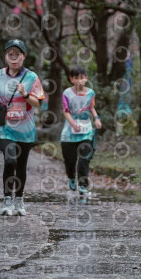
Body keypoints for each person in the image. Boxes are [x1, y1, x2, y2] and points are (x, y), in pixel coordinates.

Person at [0, 39, 45, 216]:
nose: (14, 58)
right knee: (10, 160)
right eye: (10, 54)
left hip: (25, 130)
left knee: (21, 165)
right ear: (5, 56)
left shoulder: (31, 77)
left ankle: (19, 200)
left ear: (23, 56)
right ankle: (7, 200)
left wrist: (25, 94)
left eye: (17, 54)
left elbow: (37, 103)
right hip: (4, 128)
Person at [60, 65, 102, 195]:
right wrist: (73, 124)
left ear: (86, 78)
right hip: (69, 133)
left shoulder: (91, 93)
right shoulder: (67, 93)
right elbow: (66, 111)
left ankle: (83, 185)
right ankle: (71, 177)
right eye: (76, 78)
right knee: (70, 160)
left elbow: (91, 107)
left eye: (82, 78)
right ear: (71, 79)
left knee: (84, 158)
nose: (80, 81)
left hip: (86, 131)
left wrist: (96, 119)